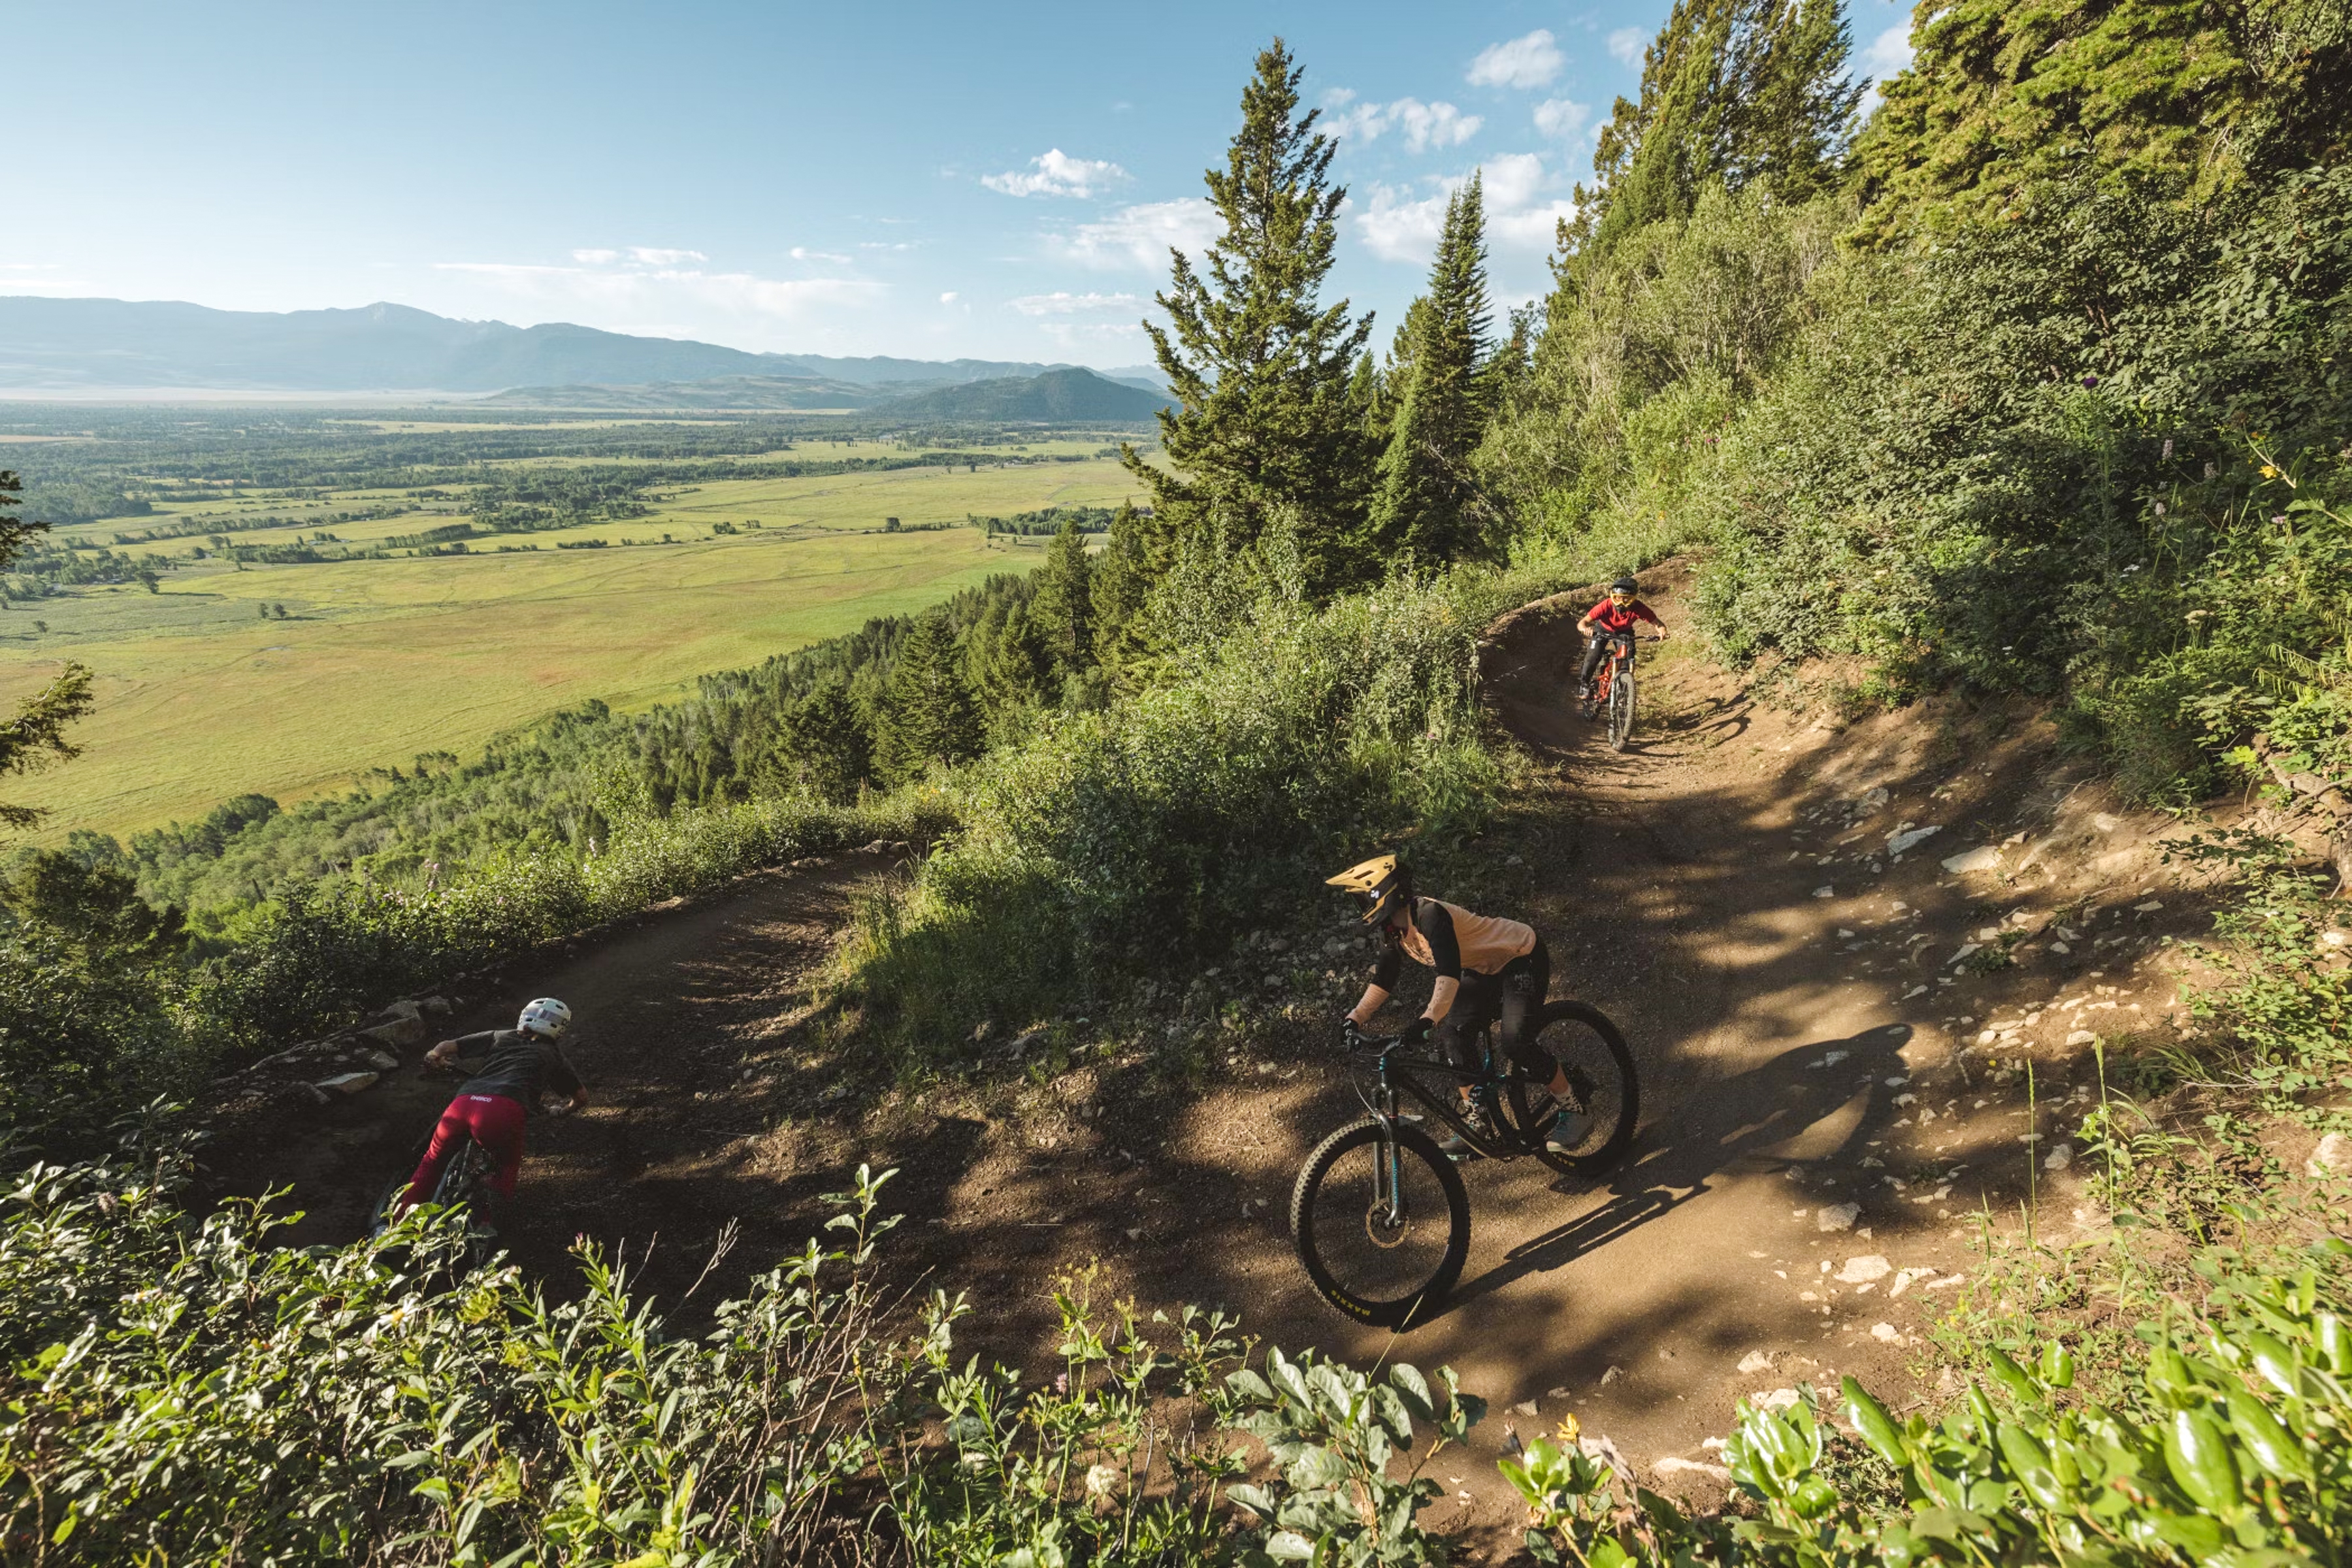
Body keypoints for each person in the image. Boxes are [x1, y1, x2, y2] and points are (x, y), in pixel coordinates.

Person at [1328, 855, 1591, 1161]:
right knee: (1453, 1033)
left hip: (1519, 957)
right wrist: (1354, 1019)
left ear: (1386, 892)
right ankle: (1477, 1119)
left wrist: (1426, 1020)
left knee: (1516, 1041)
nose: (1362, 908)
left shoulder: (1429, 915)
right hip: (1481, 969)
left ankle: (1574, 1108)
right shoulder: (1393, 932)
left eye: (1364, 899)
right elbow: (1384, 979)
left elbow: (1448, 974)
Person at [395, 996, 587, 1217]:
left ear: (524, 1016)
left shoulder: (500, 1036)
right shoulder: (554, 1056)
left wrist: (434, 1057)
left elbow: (445, 1047)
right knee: (504, 1167)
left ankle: (397, 1227)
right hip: (502, 1111)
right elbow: (581, 1097)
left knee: (432, 1161)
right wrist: (562, 1110)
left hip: (463, 1104)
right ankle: (487, 1227)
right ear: (560, 1028)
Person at [1575, 576, 1667, 706]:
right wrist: (1585, 629)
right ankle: (1584, 685)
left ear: (1634, 598)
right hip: (1602, 631)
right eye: (1617, 598)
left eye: (1626, 599)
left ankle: (1623, 688)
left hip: (1624, 633)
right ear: (1612, 596)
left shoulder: (1639, 608)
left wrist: (1662, 631)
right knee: (1592, 656)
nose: (1621, 602)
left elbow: (1657, 623)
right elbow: (1582, 622)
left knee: (1627, 659)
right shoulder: (1606, 605)